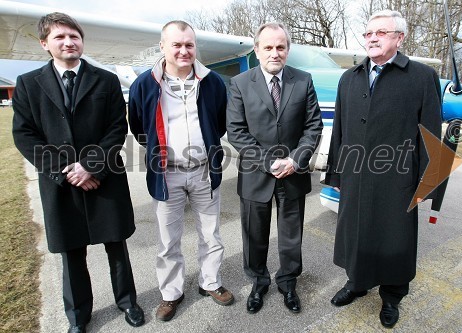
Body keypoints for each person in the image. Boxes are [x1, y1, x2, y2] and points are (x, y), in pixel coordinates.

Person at [11, 12, 144, 333]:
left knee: (116, 245)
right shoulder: (29, 84)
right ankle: (78, 315)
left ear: (82, 41)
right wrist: (65, 171)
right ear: (45, 44)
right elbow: (24, 135)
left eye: (74, 36)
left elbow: (116, 128)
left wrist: (90, 166)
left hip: (104, 177)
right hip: (61, 183)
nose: (69, 42)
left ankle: (127, 301)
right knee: (71, 253)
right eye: (60, 37)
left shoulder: (106, 80)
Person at [324, 10, 442, 328]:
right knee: (357, 235)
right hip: (356, 176)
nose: (373, 38)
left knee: (395, 240)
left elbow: (431, 132)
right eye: (369, 33)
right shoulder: (349, 78)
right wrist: (335, 174)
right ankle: (357, 284)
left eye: (381, 32)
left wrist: (429, 181)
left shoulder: (421, 77)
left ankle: (391, 297)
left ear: (399, 38)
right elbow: (339, 131)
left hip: (399, 178)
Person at [128, 20, 233, 322]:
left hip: (203, 170)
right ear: (163, 46)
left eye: (189, 44)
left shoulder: (212, 82)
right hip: (166, 173)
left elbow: (220, 121)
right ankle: (171, 293)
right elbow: (138, 125)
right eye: (177, 44)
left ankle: (210, 283)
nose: (184, 50)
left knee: (211, 233)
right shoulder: (145, 84)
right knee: (167, 238)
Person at [226, 22, 323, 314]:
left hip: (293, 174)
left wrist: (295, 160)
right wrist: (269, 161)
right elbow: (236, 131)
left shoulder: (303, 80)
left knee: (291, 236)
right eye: (268, 47)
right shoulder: (241, 83)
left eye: (280, 47)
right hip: (256, 176)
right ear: (256, 50)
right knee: (254, 236)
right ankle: (258, 283)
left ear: (288, 50)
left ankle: (288, 283)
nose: (274, 53)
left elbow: (313, 126)